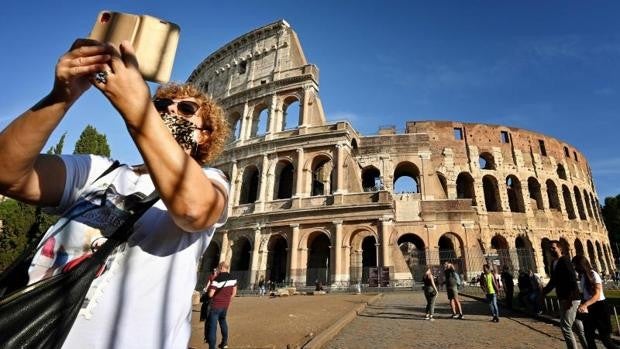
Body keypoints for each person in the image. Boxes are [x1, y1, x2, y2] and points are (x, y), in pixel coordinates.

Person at [0, 39, 230, 348]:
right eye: (160, 105)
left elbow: (194, 208)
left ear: (205, 135)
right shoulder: (98, 170)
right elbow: (7, 174)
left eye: (187, 109)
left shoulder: (212, 180)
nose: (170, 111)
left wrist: (139, 110)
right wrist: (61, 96)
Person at [542, 241, 587, 349]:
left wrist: (569, 300)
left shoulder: (566, 261)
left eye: (553, 248)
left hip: (571, 299)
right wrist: (543, 292)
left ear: (560, 249)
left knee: (566, 327)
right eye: (550, 249)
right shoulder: (553, 263)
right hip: (564, 298)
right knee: (578, 328)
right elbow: (553, 281)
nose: (551, 250)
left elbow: (572, 280)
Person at [572, 255, 618, 349]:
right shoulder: (583, 277)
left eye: (576, 265)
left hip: (600, 307)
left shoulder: (593, 274)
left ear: (581, 265)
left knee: (606, 340)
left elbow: (597, 294)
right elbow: (586, 294)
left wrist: (585, 305)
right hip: (590, 308)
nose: (575, 268)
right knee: (589, 337)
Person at [206, 262, 238, 349]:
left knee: (212, 327)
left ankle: (212, 347)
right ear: (227, 268)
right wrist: (227, 299)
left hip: (216, 305)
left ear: (221, 268)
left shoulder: (217, 279)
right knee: (223, 322)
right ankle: (224, 343)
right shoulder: (233, 278)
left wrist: (209, 291)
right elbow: (234, 292)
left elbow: (210, 295)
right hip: (225, 305)